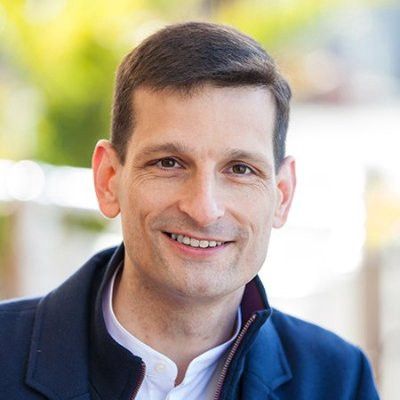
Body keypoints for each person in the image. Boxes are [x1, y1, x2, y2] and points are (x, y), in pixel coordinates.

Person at [0, 22, 379, 400]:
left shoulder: (338, 381)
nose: (203, 209)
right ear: (108, 179)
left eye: (240, 169)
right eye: (169, 163)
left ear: (282, 194)